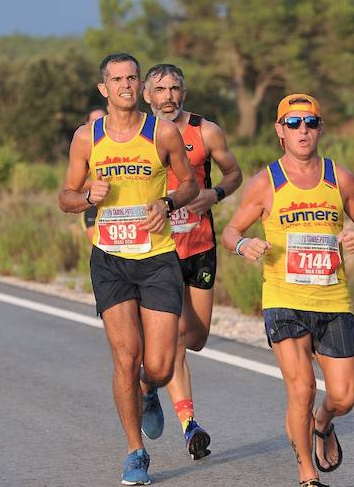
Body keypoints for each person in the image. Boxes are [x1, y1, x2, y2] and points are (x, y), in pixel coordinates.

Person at [221, 93, 354, 487]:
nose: (302, 130)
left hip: (332, 299)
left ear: (320, 128)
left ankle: (323, 422)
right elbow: (231, 230)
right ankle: (307, 474)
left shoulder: (339, 177)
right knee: (301, 387)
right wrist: (244, 245)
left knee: (343, 397)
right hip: (283, 299)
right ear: (280, 131)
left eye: (310, 122)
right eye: (293, 124)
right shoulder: (265, 182)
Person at [59, 53, 198, 486]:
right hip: (110, 260)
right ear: (104, 88)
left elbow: (190, 181)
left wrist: (169, 202)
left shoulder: (164, 132)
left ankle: (148, 390)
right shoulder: (87, 138)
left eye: (131, 78)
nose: (124, 85)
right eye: (115, 79)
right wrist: (87, 198)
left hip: (156, 258)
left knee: (157, 366)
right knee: (125, 357)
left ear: (140, 85)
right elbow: (65, 196)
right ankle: (135, 452)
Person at [139, 63, 243, 460]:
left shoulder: (206, 131)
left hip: (198, 245)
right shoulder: (137, 136)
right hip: (158, 251)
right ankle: (189, 425)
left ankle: (149, 385)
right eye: (160, 89)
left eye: (174, 88)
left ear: (184, 91)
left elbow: (233, 173)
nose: (168, 96)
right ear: (147, 95)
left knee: (196, 339)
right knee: (176, 337)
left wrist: (214, 194)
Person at [81, 108, 107, 242]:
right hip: (93, 206)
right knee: (98, 248)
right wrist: (96, 186)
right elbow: (75, 187)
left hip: (119, 207)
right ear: (86, 124)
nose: (99, 124)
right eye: (94, 121)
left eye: (103, 120)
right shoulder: (85, 150)